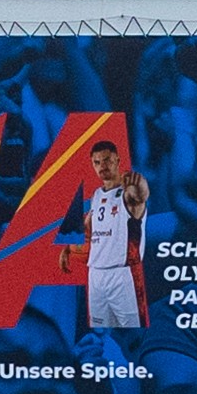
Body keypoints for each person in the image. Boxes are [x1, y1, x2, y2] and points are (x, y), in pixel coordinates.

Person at [80, 139, 150, 334]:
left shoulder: (128, 192)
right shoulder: (95, 195)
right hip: (96, 273)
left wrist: (140, 185)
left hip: (122, 274)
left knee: (135, 335)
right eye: (97, 162)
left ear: (118, 160)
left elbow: (141, 194)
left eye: (107, 160)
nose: (102, 166)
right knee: (100, 335)